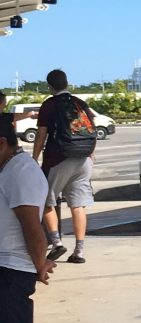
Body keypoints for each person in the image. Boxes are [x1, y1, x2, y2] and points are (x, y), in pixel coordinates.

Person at [32, 69, 95, 264]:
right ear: (67, 83)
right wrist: (91, 155)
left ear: (50, 86)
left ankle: (57, 243)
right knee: (78, 205)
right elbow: (90, 128)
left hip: (59, 158)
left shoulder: (49, 105)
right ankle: (79, 251)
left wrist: (34, 159)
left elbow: (41, 135)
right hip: (84, 158)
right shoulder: (80, 103)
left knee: (45, 201)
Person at [0, 114, 56, 323]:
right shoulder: (7, 168)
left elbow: (33, 229)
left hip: (11, 272)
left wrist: (40, 264)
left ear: (2, 143)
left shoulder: (21, 171)